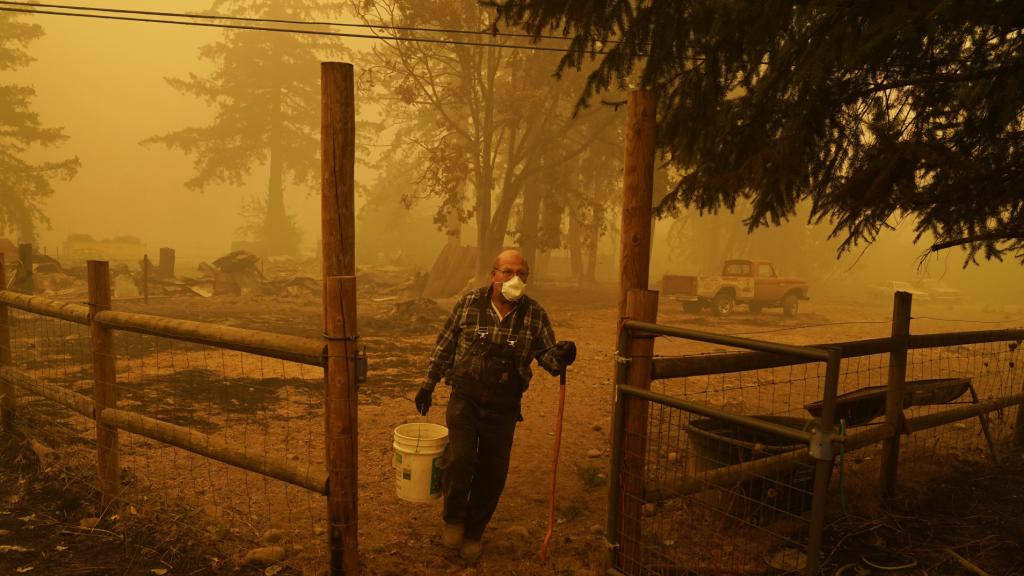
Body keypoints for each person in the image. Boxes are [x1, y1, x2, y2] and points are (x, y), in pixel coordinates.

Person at [414, 249, 576, 562]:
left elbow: (549, 358)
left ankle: (474, 532)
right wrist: (428, 384)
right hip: (465, 399)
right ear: (493, 275)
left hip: (504, 407)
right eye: (507, 272)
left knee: (493, 472)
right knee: (460, 460)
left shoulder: (534, 314)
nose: (514, 279)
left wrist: (564, 354)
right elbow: (445, 344)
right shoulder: (469, 303)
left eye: (521, 274)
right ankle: (453, 518)